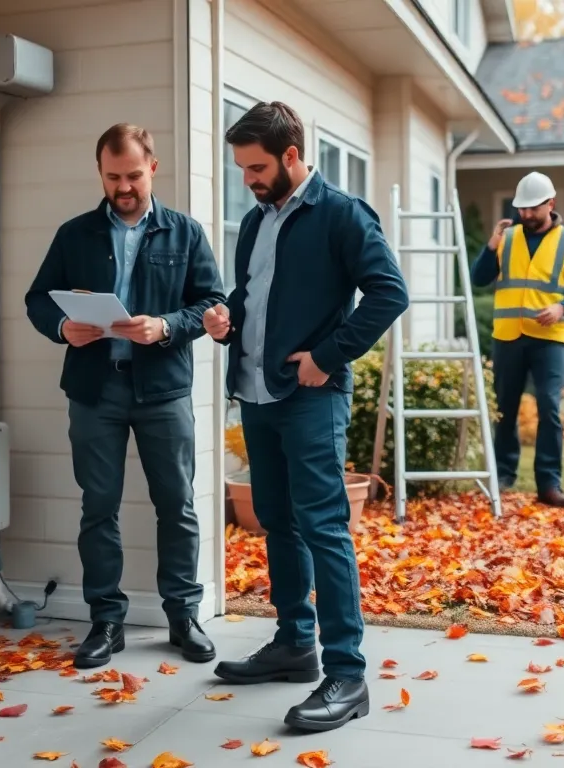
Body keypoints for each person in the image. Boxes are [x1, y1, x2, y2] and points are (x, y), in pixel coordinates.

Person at [202, 101, 408, 732]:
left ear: (292, 156)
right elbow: (255, 295)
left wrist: (327, 354)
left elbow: (389, 292)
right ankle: (295, 643)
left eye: (258, 167)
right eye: (242, 168)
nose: (249, 179)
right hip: (257, 394)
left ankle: (347, 675)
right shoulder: (259, 218)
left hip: (311, 397)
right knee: (278, 522)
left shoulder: (342, 215)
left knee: (324, 529)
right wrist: (224, 318)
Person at [23, 123, 226, 669]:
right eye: (113, 177)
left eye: (133, 175)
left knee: (177, 505)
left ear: (152, 168)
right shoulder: (75, 233)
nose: (124, 187)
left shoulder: (185, 232)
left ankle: (183, 616)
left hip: (163, 390)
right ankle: (105, 621)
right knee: (98, 508)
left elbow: (211, 302)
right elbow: (39, 299)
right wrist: (63, 328)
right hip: (94, 390)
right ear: (101, 173)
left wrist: (164, 326)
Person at [470, 171, 564, 508]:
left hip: (549, 338)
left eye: (532, 209)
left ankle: (549, 484)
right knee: (506, 409)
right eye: (521, 209)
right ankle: (503, 474)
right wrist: (490, 247)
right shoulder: (508, 236)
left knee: (549, 409)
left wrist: (562, 306)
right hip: (508, 336)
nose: (525, 215)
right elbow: (479, 278)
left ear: (550, 204)